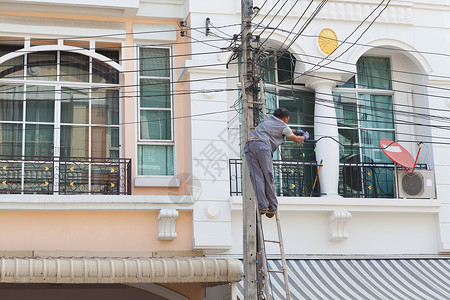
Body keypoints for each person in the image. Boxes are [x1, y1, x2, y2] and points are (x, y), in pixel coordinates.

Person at [244, 108, 308, 218]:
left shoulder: (268, 121)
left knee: (257, 177)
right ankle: (272, 206)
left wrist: (294, 130)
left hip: (249, 146)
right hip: (263, 147)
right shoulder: (283, 126)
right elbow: (296, 139)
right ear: (285, 118)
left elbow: (283, 129)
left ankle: (263, 205)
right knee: (268, 176)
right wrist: (304, 136)